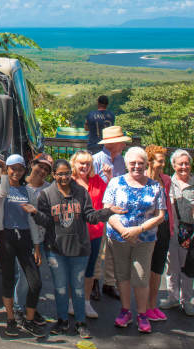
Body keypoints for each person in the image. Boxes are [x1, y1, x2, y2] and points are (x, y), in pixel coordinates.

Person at [25, 159, 119, 339]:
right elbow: (46, 222)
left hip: (79, 250)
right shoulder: (46, 194)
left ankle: (81, 323)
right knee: (60, 288)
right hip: (55, 250)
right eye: (60, 174)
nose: (64, 177)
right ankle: (62, 321)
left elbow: (90, 216)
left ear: (71, 173)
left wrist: (108, 211)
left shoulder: (81, 192)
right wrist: (35, 213)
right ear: (54, 175)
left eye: (67, 173)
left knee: (77, 288)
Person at [103, 147, 166, 334]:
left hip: (145, 239)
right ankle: (125, 311)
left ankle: (142, 314)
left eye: (140, 163)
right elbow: (107, 210)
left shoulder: (155, 187)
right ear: (126, 164)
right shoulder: (115, 183)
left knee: (141, 276)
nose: (137, 166)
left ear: (146, 164)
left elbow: (160, 215)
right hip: (118, 237)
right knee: (122, 275)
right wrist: (124, 231)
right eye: (133, 163)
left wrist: (139, 229)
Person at [0, 153, 44, 337]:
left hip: (25, 237)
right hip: (5, 236)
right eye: (13, 168)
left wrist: (36, 245)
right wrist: (3, 171)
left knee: (35, 282)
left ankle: (29, 320)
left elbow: (32, 220)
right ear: (7, 169)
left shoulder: (28, 191)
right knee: (8, 279)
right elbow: (2, 193)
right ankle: (11, 319)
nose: (16, 172)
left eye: (20, 169)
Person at [13, 154, 54, 324]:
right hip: (22, 238)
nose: (42, 171)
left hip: (41, 239)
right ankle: (18, 308)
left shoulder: (49, 189)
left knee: (36, 277)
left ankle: (31, 307)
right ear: (32, 164)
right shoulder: (19, 185)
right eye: (40, 166)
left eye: (46, 169)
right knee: (23, 277)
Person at [161, 149, 194, 317]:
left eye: (187, 163)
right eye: (180, 164)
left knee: (187, 267)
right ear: (173, 165)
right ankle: (172, 297)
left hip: (190, 231)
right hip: (172, 229)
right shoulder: (167, 183)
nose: (184, 167)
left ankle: (187, 300)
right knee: (171, 266)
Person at [91, 125, 131, 300]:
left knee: (113, 246)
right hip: (100, 208)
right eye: (121, 142)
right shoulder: (95, 160)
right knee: (98, 246)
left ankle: (109, 282)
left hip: (117, 210)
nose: (123, 145)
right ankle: (93, 281)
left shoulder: (122, 161)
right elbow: (92, 186)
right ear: (112, 143)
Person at [69, 150, 106, 319]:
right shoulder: (68, 181)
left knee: (90, 269)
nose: (85, 166)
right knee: (74, 268)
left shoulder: (97, 181)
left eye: (88, 163)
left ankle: (85, 302)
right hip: (73, 234)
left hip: (94, 232)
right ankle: (72, 301)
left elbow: (107, 201)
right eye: (81, 163)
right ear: (74, 164)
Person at [144, 145, 175, 322]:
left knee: (157, 268)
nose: (163, 164)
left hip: (163, 226)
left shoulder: (166, 180)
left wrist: (171, 226)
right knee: (144, 268)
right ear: (150, 161)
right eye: (160, 161)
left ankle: (152, 305)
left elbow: (168, 206)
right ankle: (142, 307)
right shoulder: (141, 179)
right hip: (147, 227)